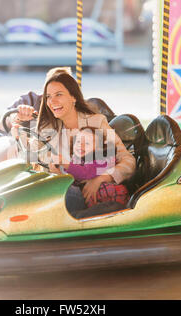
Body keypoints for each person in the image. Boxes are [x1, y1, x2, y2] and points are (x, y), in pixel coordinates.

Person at [12, 71, 136, 213]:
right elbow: (28, 156)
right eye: (48, 97)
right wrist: (20, 122)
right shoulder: (48, 128)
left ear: (73, 97)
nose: (52, 101)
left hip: (82, 195)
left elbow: (128, 160)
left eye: (59, 94)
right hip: (58, 189)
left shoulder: (97, 122)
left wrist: (102, 178)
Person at [49, 127, 129, 209]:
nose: (81, 145)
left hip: (111, 200)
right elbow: (73, 179)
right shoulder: (78, 158)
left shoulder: (102, 159)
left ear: (99, 148)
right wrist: (59, 172)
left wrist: (64, 163)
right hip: (91, 199)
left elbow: (85, 173)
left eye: (87, 143)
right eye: (78, 141)